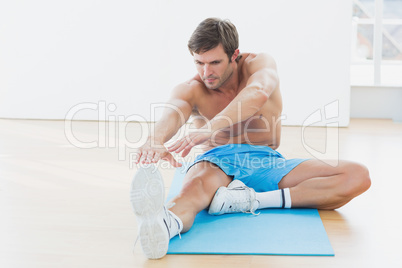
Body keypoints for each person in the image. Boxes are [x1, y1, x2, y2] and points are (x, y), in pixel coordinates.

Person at [130, 17, 371, 259]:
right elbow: (174, 110)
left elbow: (258, 93)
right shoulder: (192, 88)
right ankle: (163, 225)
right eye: (199, 62)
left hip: (268, 161)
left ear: (235, 55)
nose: (206, 72)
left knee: (356, 176)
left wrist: (211, 126)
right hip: (217, 161)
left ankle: (252, 200)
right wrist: (155, 139)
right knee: (194, 188)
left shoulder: (259, 64)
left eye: (215, 62)